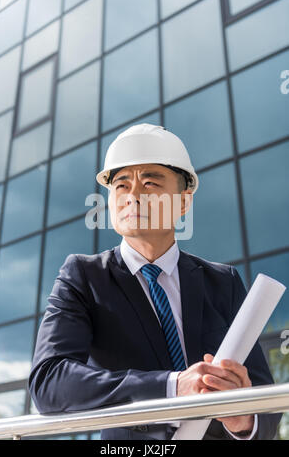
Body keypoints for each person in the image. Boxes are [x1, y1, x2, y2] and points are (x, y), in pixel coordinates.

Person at [28, 123, 282, 440]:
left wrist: (244, 419)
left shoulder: (222, 282)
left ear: (184, 202)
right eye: (121, 185)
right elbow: (50, 383)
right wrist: (172, 386)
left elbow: (264, 404)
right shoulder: (84, 277)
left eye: (150, 182)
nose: (133, 195)